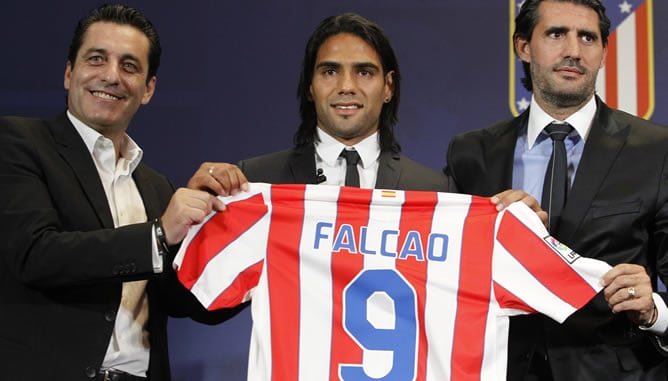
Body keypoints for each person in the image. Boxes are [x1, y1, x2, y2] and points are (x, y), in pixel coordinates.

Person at [0, 4, 238, 381]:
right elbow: (35, 254)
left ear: (148, 89)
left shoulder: (156, 186)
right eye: (97, 59)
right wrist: (158, 234)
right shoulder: (17, 142)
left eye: (129, 66)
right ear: (69, 73)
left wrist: (242, 248)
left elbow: (183, 304)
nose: (111, 76)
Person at [444, 0, 668, 379]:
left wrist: (654, 311)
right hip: (500, 369)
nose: (573, 51)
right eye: (556, 34)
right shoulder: (471, 152)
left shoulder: (656, 150)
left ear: (603, 52)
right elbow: (448, 274)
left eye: (587, 38)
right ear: (523, 47)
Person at [190, 13, 542, 215]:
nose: (346, 86)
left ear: (388, 86)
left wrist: (514, 231)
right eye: (329, 71)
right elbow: (205, 306)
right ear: (309, 86)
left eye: (364, 72)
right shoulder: (256, 181)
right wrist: (199, 215)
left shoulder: (434, 191)